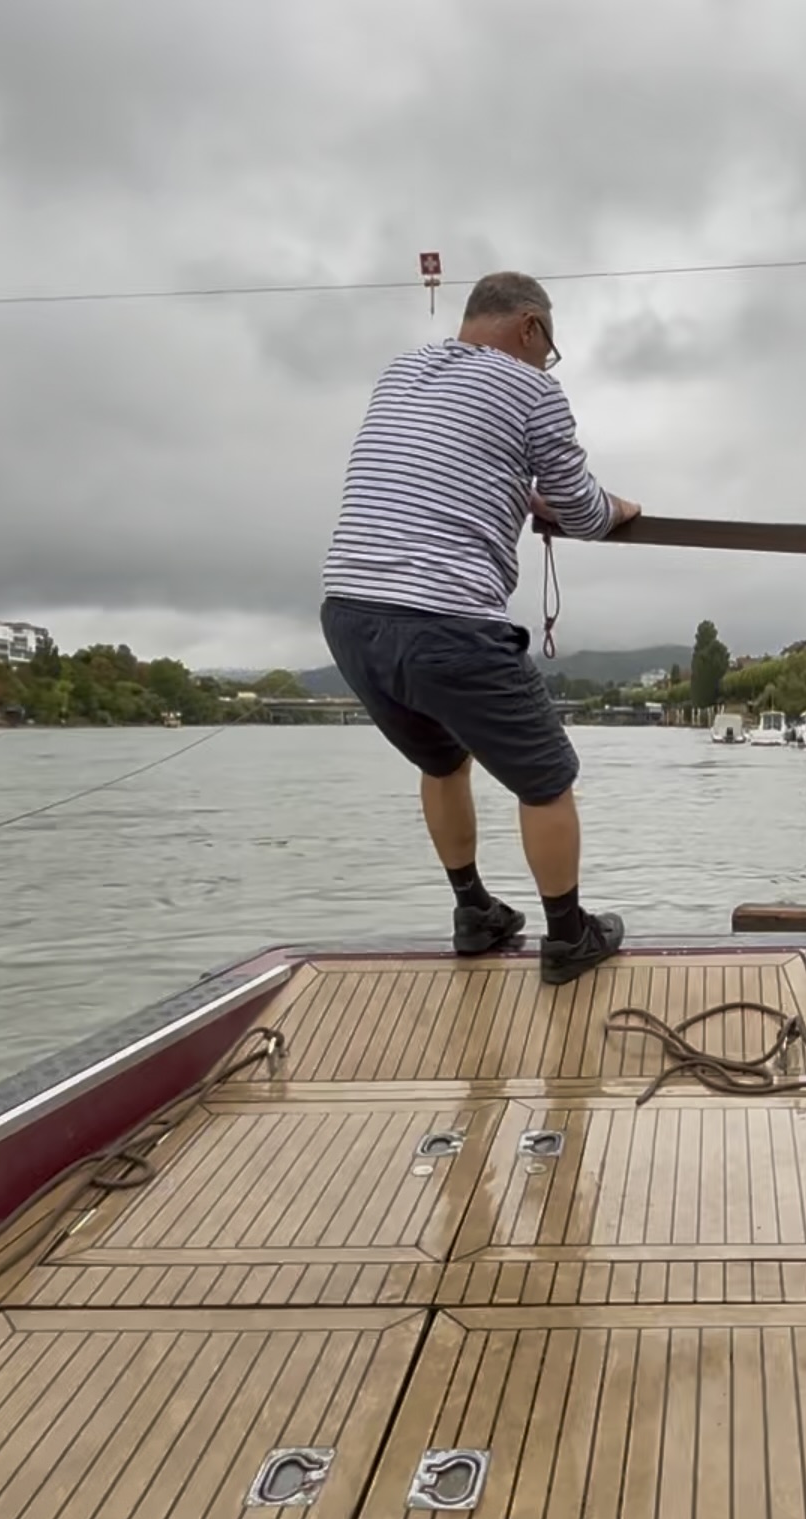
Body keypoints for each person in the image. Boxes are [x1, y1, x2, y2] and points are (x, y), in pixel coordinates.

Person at [319, 271, 640, 985]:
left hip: (349, 612)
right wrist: (619, 507)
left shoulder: (402, 370)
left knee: (442, 761)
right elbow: (582, 510)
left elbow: (441, 465)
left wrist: (514, 488)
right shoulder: (533, 389)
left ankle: (475, 914)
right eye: (547, 347)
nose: (546, 362)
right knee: (549, 778)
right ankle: (568, 937)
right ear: (530, 328)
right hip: (447, 619)